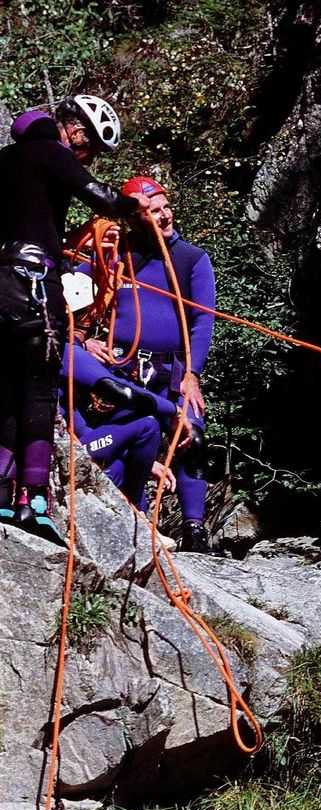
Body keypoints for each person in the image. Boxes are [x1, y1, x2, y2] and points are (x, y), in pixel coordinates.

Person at [0, 97, 147, 545]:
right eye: (92, 149)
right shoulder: (52, 153)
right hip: (32, 287)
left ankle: (2, 493)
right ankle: (36, 501)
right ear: (77, 132)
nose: (87, 157)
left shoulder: (5, 158)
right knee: (38, 391)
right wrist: (131, 206)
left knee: (4, 390)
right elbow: (98, 196)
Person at [79, 175, 217, 552]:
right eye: (154, 211)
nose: (165, 215)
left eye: (166, 207)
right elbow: (72, 299)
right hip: (121, 365)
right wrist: (83, 341)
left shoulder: (191, 259)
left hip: (171, 368)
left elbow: (204, 320)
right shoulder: (113, 254)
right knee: (127, 435)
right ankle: (131, 519)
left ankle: (194, 531)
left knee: (192, 435)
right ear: (135, 217)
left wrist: (192, 375)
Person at [60, 338, 178, 507]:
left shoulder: (60, 348)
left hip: (69, 446)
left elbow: (78, 427)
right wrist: (175, 410)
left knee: (124, 465)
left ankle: (135, 515)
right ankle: (135, 509)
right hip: (58, 451)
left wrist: (148, 462)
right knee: (148, 426)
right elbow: (119, 390)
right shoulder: (66, 351)